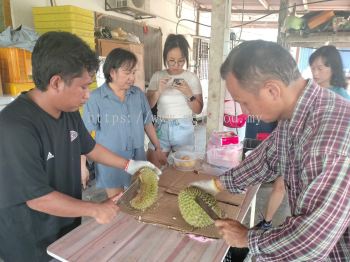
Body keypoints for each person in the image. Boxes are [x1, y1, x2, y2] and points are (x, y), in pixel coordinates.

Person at [0, 32, 160, 262]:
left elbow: (90, 147)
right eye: (83, 87)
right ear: (56, 82)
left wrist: (130, 164)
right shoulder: (15, 126)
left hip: (65, 225)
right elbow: (37, 198)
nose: (87, 96)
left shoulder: (69, 113)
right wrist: (94, 209)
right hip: (28, 238)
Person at [191, 40, 350, 261]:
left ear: (272, 90)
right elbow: (267, 158)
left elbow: (312, 242)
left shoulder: (329, 141)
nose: (244, 113)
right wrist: (217, 184)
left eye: (244, 102)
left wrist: (247, 238)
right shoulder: (297, 111)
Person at [256, 45, 350, 231]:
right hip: (292, 153)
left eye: (320, 68)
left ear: (333, 69)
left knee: (308, 205)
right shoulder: (306, 92)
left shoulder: (341, 99)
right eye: (313, 67)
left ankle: (295, 229)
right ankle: (267, 222)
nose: (315, 72)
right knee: (281, 187)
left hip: (316, 165)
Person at [81, 48, 166, 197]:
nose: (132, 78)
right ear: (112, 72)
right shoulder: (96, 98)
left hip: (137, 157)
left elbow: (147, 123)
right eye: (127, 73)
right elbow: (84, 135)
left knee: (139, 197)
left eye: (134, 72)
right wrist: (82, 165)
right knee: (117, 202)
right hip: (110, 162)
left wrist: (158, 148)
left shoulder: (138, 94)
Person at [146, 34, 203, 167]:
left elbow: (198, 110)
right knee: (152, 170)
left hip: (184, 128)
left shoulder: (192, 78)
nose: (176, 65)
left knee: (183, 171)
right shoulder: (157, 76)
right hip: (161, 127)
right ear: (165, 57)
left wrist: (189, 93)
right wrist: (159, 91)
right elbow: (148, 106)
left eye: (181, 61)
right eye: (171, 60)